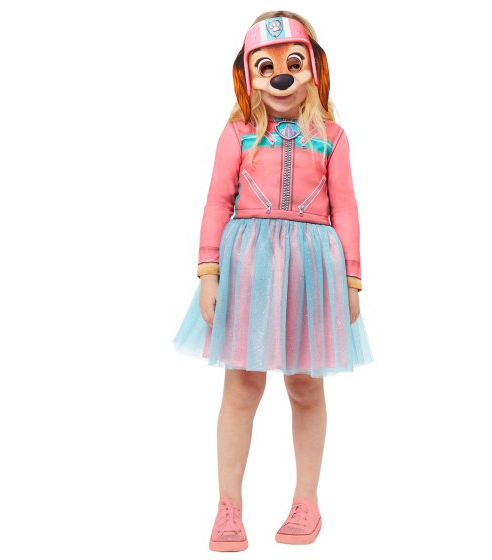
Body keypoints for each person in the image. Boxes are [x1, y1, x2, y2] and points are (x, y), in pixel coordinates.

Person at [172, 10, 374, 552]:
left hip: (312, 272)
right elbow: (217, 201)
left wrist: (352, 278)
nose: (281, 76)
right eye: (267, 66)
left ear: (313, 69)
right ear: (249, 74)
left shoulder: (332, 137)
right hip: (250, 267)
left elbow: (346, 207)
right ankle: (228, 506)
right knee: (242, 386)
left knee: (306, 385)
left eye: (293, 63)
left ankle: (307, 500)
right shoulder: (237, 134)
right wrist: (209, 272)